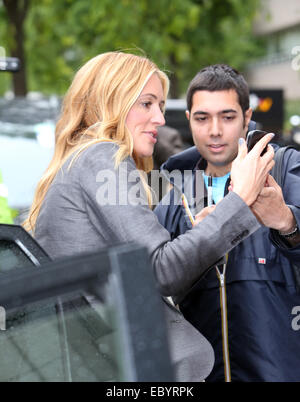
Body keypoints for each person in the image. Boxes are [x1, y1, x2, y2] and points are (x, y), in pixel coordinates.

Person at [24, 53, 274, 382]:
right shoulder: (102, 157)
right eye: (146, 104)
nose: (159, 118)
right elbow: (161, 270)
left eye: (159, 105)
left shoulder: (83, 160)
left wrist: (207, 228)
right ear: (110, 101)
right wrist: (240, 198)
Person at [154, 64, 300, 382]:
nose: (215, 130)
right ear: (189, 119)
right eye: (202, 118)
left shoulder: (286, 168)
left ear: (247, 118)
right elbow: (155, 285)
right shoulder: (173, 197)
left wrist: (287, 222)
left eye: (228, 117)